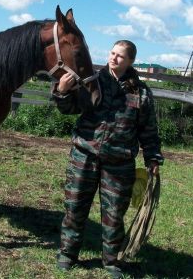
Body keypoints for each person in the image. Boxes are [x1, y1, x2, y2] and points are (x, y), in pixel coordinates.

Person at [53, 40, 164, 278]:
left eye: (120, 56)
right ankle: (67, 254)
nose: (114, 58)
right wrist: (62, 91)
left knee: (114, 215)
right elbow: (69, 108)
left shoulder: (141, 92)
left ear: (131, 61)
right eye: (112, 53)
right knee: (75, 208)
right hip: (84, 156)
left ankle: (112, 261)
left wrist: (153, 158)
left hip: (119, 164)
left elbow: (148, 130)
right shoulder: (92, 81)